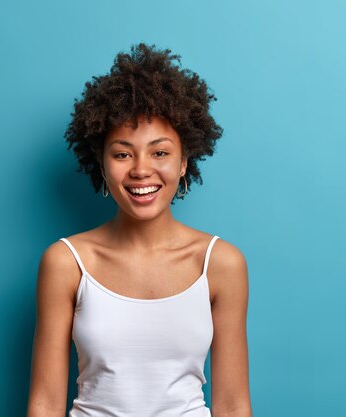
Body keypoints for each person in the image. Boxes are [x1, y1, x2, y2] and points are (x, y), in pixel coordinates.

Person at [27, 43, 252, 417]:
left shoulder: (221, 264)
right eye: (122, 153)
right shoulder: (66, 262)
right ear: (101, 164)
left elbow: (232, 405)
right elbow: (45, 404)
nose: (141, 170)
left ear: (184, 163)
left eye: (160, 152)